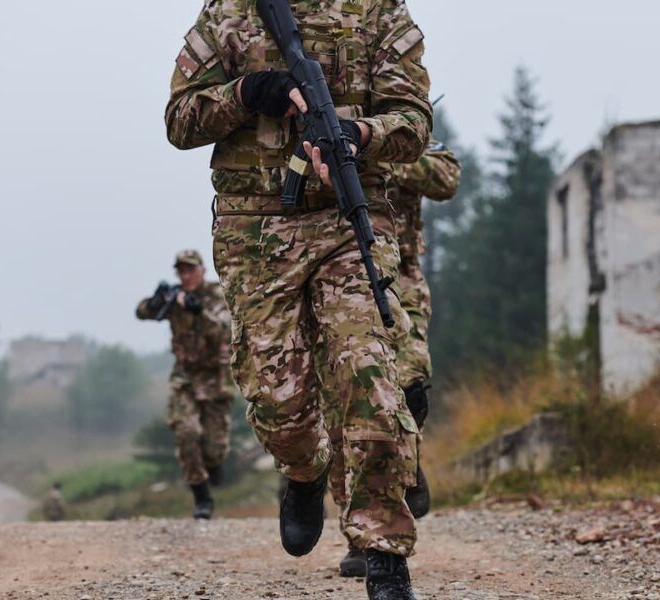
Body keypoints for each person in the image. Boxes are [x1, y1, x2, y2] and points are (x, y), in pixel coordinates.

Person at [165, 1, 432, 597]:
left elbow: (414, 121)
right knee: (275, 396)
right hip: (255, 228)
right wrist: (247, 92)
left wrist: (361, 135)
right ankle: (304, 469)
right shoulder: (230, 14)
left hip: (349, 220)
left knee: (370, 376)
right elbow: (179, 122)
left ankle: (384, 553)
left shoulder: (377, 11)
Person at [326, 138, 462, 577]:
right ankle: (362, 536)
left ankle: (408, 458)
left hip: (401, 276)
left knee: (411, 388)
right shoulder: (324, 130)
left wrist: (381, 151)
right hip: (344, 275)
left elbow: (445, 179)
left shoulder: (406, 136)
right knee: (351, 404)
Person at [136, 250, 235, 520]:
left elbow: (224, 331)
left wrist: (198, 311)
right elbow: (142, 312)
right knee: (186, 431)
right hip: (185, 378)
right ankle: (201, 496)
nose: (186, 276)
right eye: (181, 271)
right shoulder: (176, 297)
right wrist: (155, 302)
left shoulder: (216, 296)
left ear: (202, 270)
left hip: (215, 378)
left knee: (214, 448)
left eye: (191, 270)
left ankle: (213, 463)